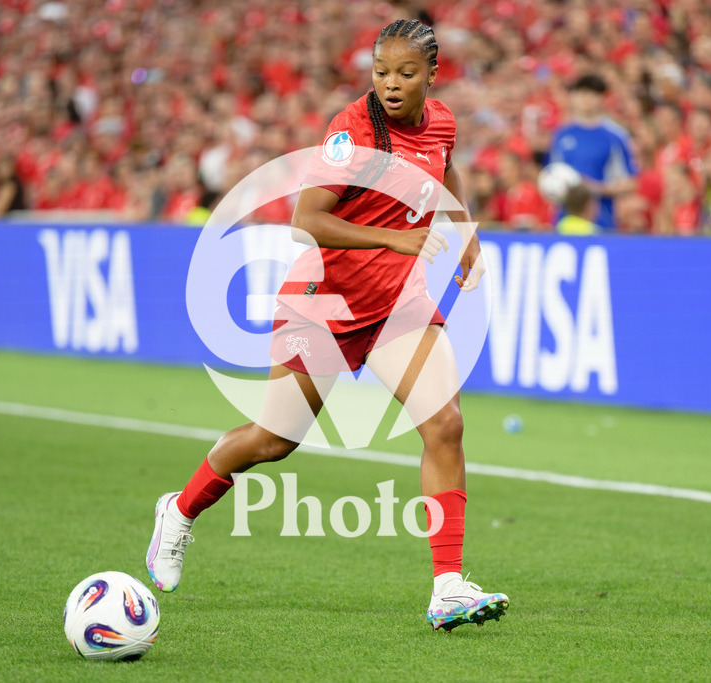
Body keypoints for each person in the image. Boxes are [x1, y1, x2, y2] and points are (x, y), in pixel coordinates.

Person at [146, 19, 509, 633]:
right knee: (274, 441)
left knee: (445, 424)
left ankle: (446, 585)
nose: (392, 85)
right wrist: (395, 237)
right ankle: (178, 510)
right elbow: (305, 220)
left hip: (398, 303)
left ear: (431, 76)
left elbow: (444, 170)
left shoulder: (441, 121)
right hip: (324, 302)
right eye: (382, 72)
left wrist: (463, 229)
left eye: (406, 73)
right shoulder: (353, 131)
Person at [547, 74, 638, 231]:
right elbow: (551, 174)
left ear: (602, 98)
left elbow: (630, 182)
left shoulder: (615, 136)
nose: (586, 99)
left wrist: (596, 188)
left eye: (592, 94)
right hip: (563, 220)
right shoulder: (561, 134)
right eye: (581, 93)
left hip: (601, 220)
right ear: (573, 97)